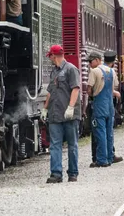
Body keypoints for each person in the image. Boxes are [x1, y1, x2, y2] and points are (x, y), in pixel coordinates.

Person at [41, 44, 81, 183]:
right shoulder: (54, 72)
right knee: (55, 144)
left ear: (54, 55)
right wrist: (45, 108)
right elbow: (50, 92)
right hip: (55, 114)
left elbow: (75, 89)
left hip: (69, 115)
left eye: (50, 56)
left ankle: (73, 173)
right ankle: (56, 174)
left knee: (72, 144)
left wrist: (71, 107)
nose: (50, 59)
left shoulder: (71, 69)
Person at [87, 51, 123, 168]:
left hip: (99, 105)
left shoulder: (94, 71)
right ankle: (110, 157)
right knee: (109, 132)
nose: (89, 64)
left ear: (98, 60)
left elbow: (89, 89)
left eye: (90, 61)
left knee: (100, 132)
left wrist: (92, 95)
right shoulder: (112, 71)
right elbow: (114, 87)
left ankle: (102, 160)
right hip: (109, 105)